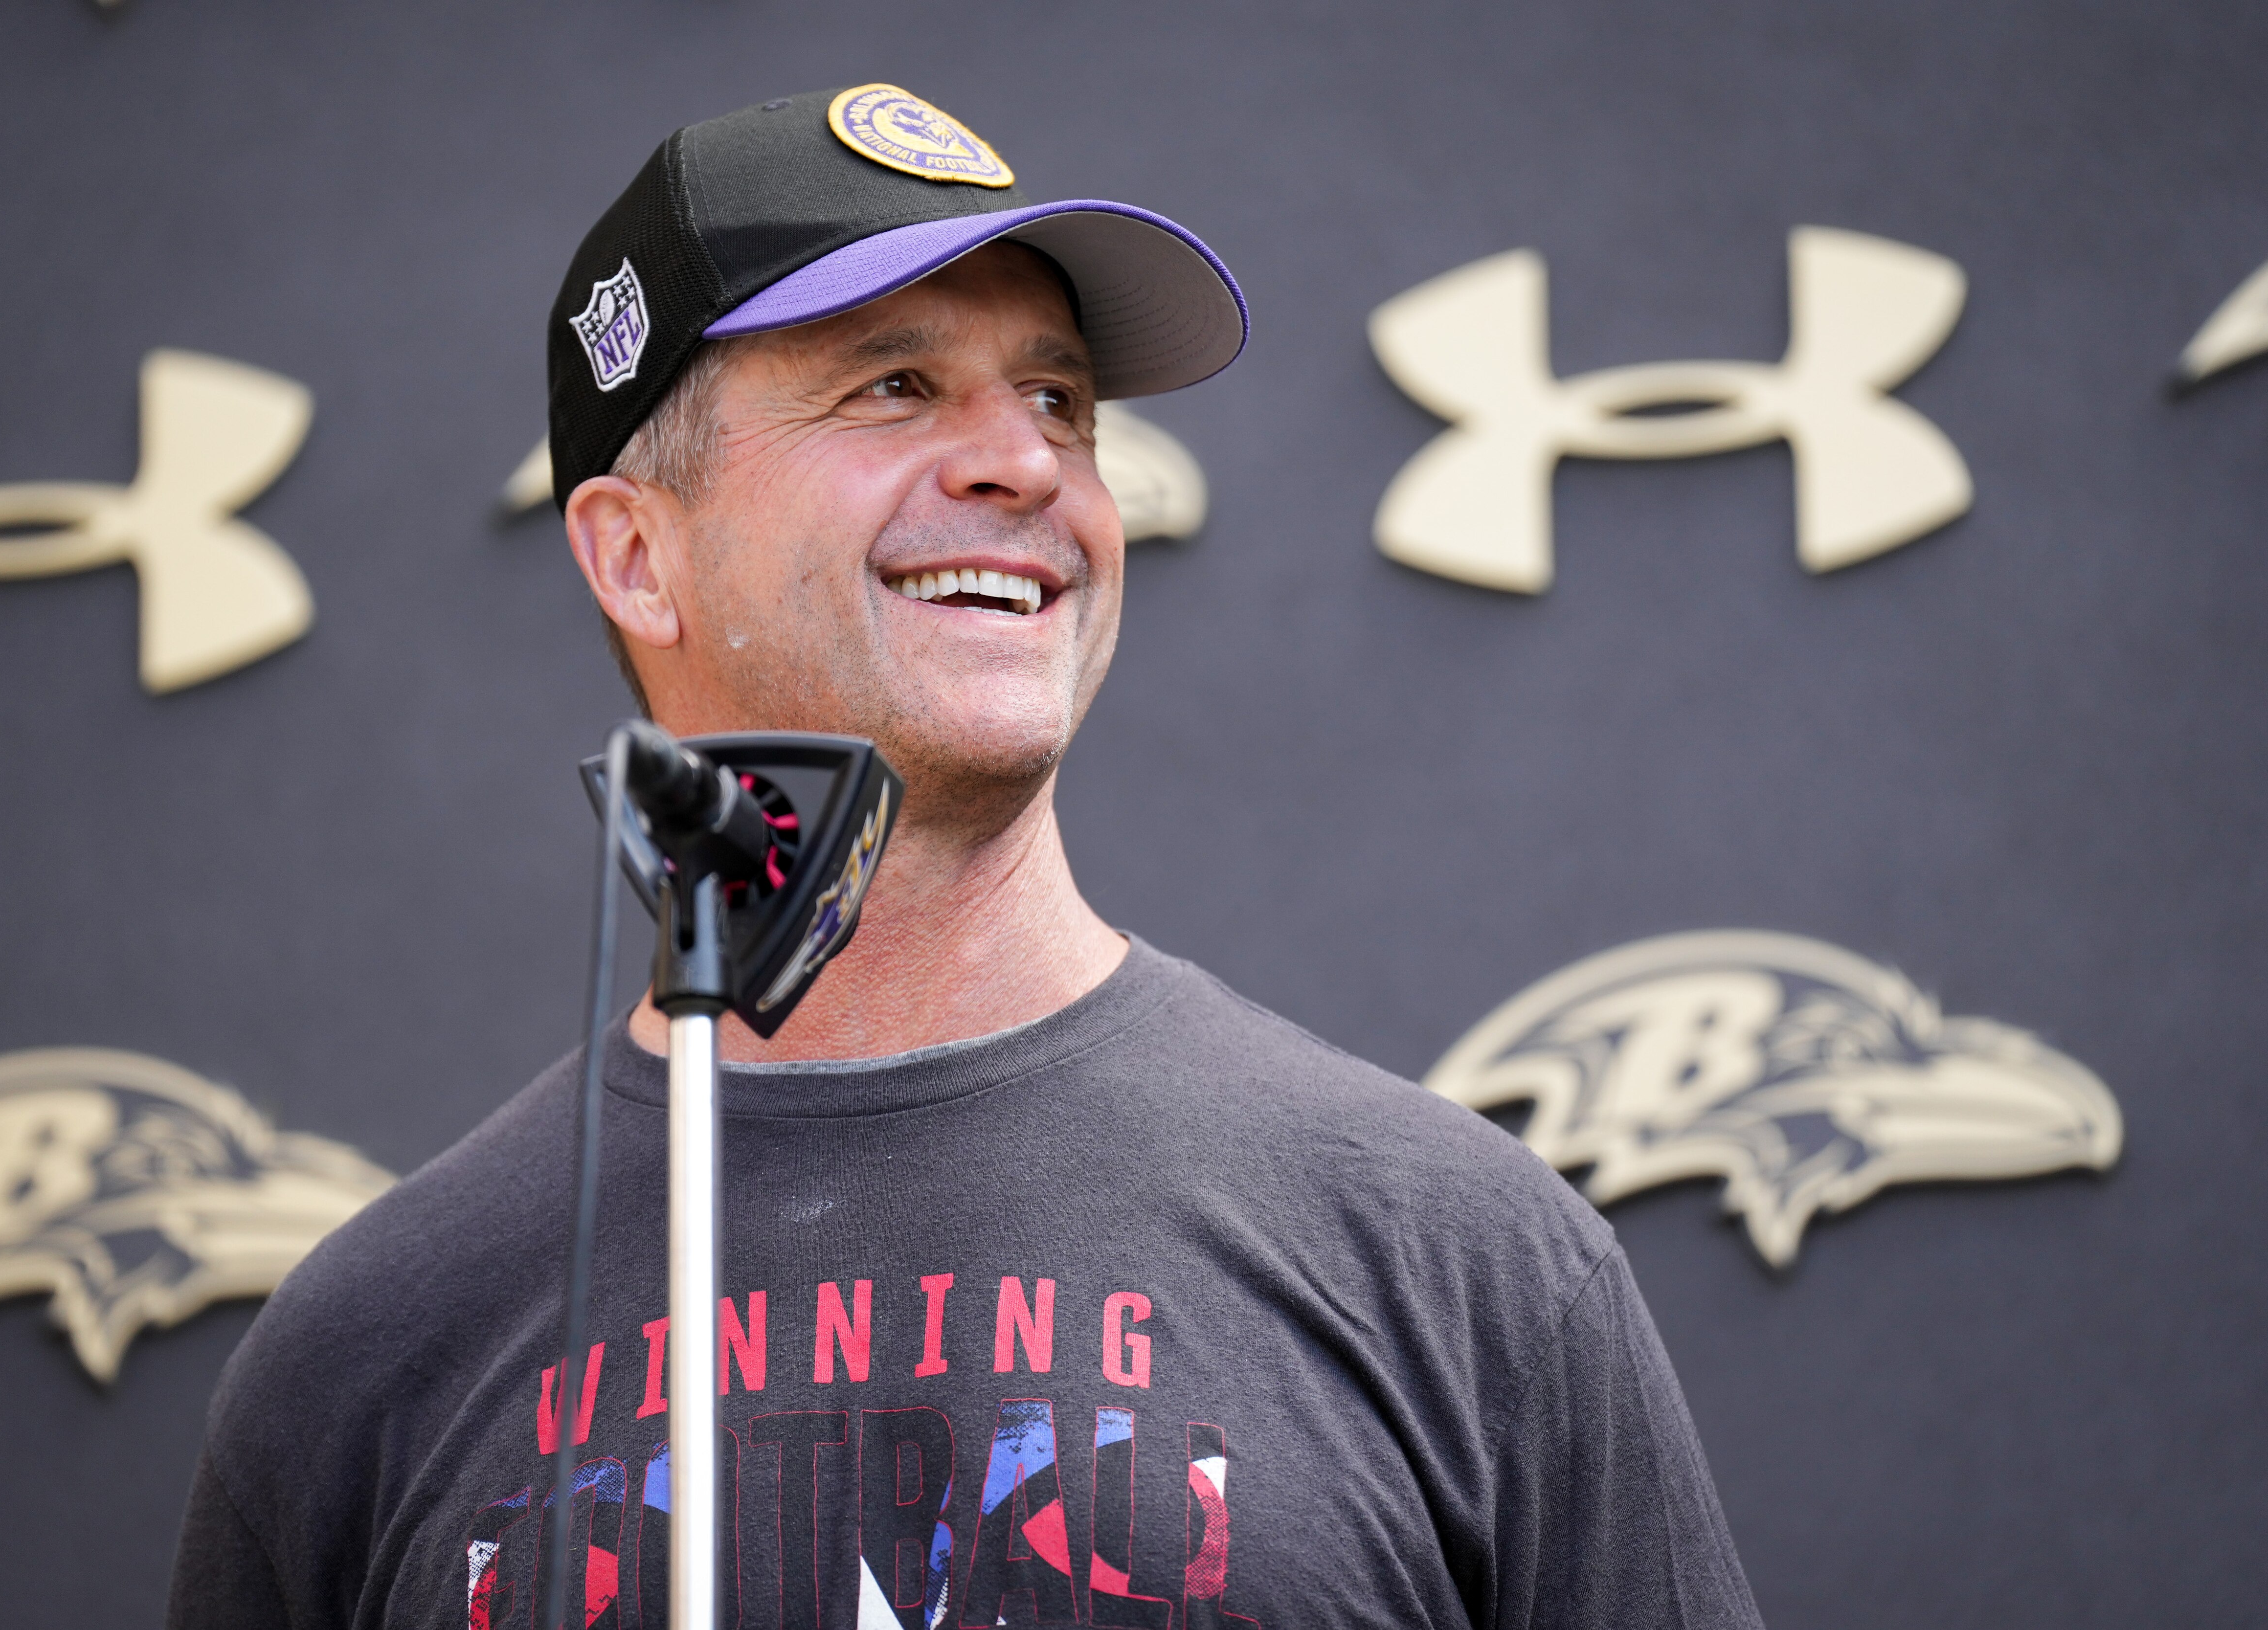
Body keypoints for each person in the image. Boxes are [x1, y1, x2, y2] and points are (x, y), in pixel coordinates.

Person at [167, 84, 1762, 1630]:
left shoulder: (1458, 1258)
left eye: (1059, 401)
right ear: (638, 555)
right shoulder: (365, 1354)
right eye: (894, 386)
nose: (1030, 464)